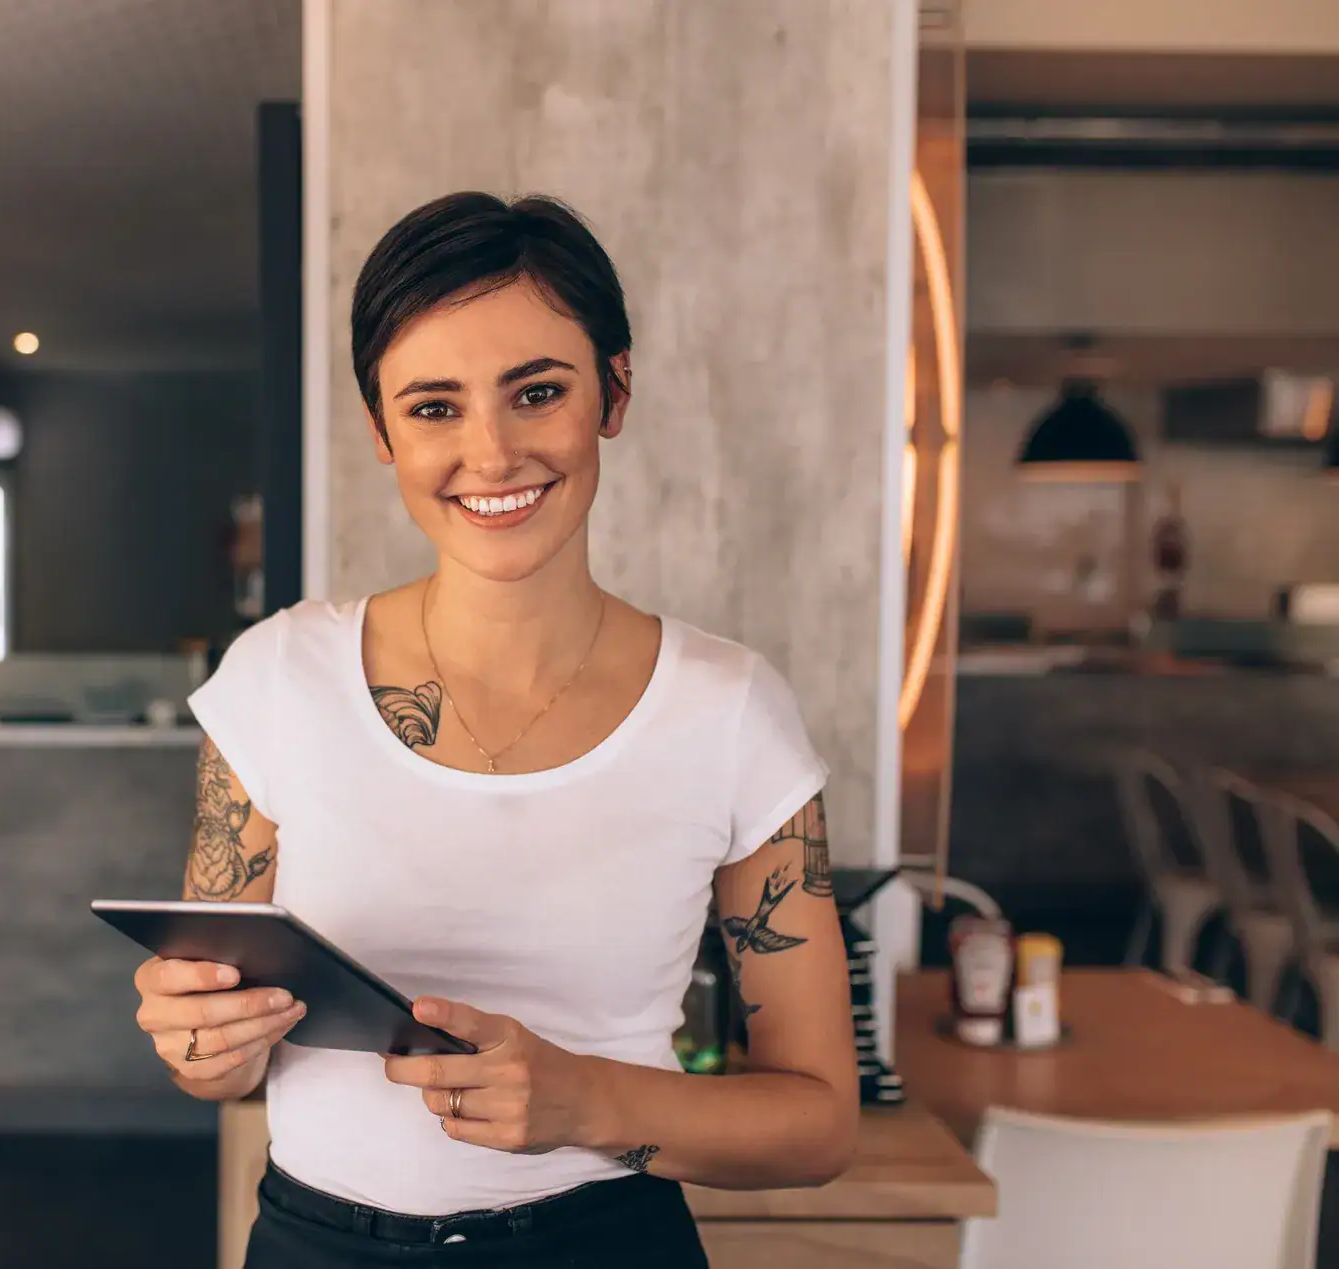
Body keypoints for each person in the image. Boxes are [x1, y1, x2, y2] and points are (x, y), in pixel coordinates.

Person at [131, 192, 857, 1267]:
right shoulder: (279, 677)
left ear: (612, 392)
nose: (492, 450)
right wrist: (201, 1041)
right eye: (434, 407)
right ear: (380, 432)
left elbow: (819, 1123)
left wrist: (586, 1101)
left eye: (537, 392)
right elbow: (223, 1063)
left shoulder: (730, 709)